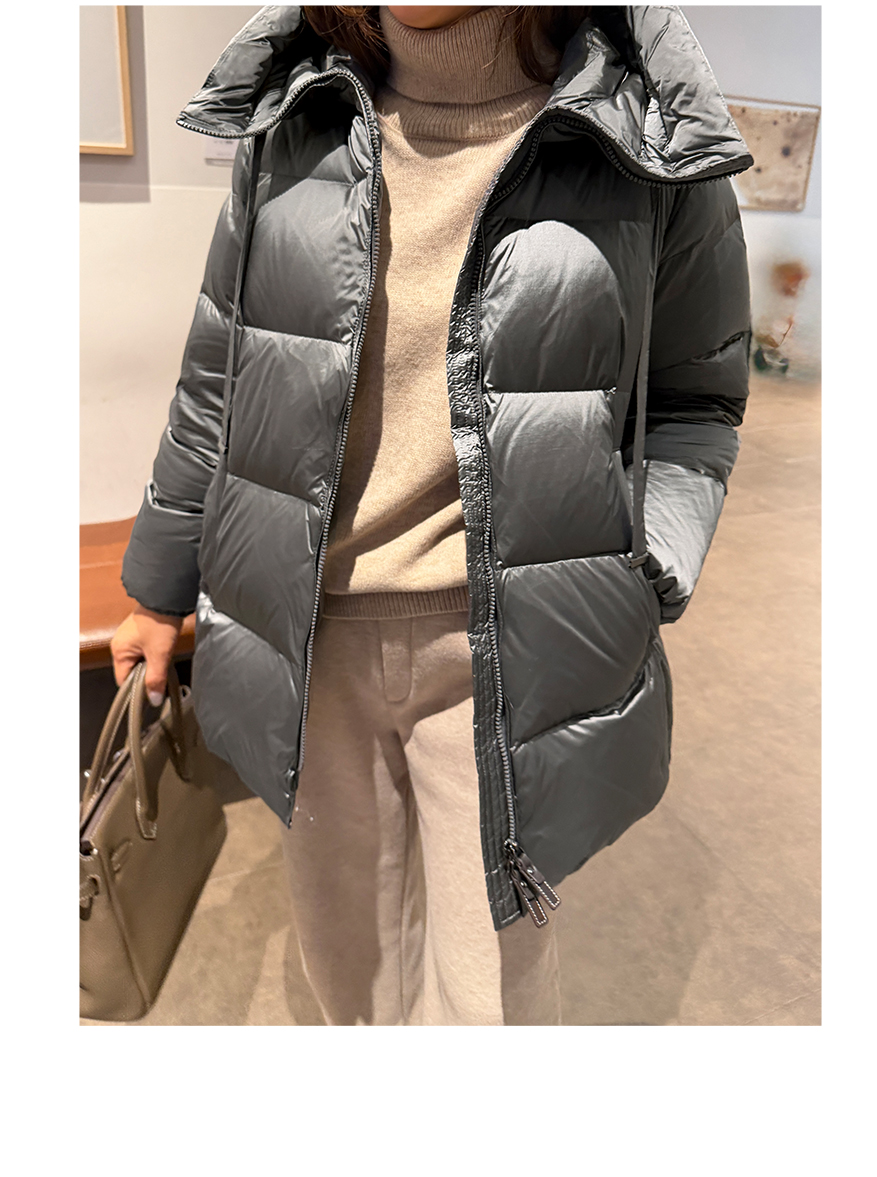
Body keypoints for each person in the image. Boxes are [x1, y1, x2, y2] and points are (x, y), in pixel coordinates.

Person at [111, 5, 753, 1025]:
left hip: (513, 650)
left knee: (494, 990)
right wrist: (157, 585)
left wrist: (649, 566)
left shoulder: (646, 130)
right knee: (349, 969)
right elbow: (219, 380)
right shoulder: (295, 114)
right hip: (306, 639)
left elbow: (696, 399)